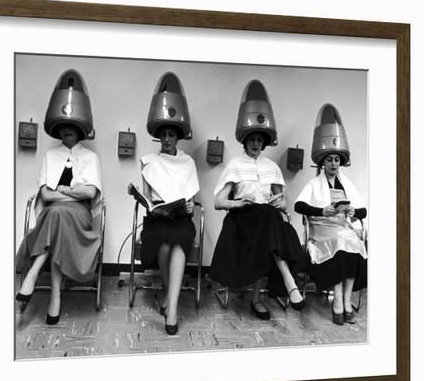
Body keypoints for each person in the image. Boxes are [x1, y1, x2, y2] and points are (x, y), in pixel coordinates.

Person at [210, 80, 307, 320]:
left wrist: (279, 203)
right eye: (252, 139)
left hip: (266, 220)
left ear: (265, 142)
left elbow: (283, 204)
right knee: (267, 220)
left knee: (270, 216)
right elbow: (218, 202)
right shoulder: (235, 165)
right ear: (245, 140)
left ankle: (264, 294)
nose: (255, 143)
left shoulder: (271, 167)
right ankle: (286, 283)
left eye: (259, 140)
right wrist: (238, 203)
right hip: (242, 220)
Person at [15, 70, 102, 325]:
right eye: (63, 127)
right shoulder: (49, 156)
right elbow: (44, 193)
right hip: (56, 215)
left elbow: (90, 193)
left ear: (79, 128)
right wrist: (70, 194)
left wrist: (61, 192)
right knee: (56, 214)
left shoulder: (90, 157)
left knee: (57, 213)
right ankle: (55, 297)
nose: (66, 130)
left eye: (71, 127)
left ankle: (33, 273)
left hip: (80, 216)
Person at [128, 72, 199, 335]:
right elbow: (148, 197)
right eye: (163, 135)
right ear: (158, 136)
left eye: (172, 134)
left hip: (181, 218)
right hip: (158, 219)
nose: (167, 139)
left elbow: (190, 196)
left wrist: (190, 206)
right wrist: (141, 198)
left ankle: (172, 306)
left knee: (179, 241)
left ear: (178, 136)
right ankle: (170, 296)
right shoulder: (148, 160)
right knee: (164, 244)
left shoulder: (188, 162)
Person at [295, 103, 367, 325]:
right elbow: (299, 206)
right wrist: (321, 210)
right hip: (322, 230)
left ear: (341, 162)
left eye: (337, 160)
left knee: (354, 244)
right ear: (322, 162)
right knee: (339, 245)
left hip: (342, 228)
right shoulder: (314, 183)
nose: (334, 164)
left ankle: (346, 301)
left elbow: (363, 211)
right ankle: (336, 302)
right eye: (329, 160)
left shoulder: (347, 184)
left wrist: (354, 211)